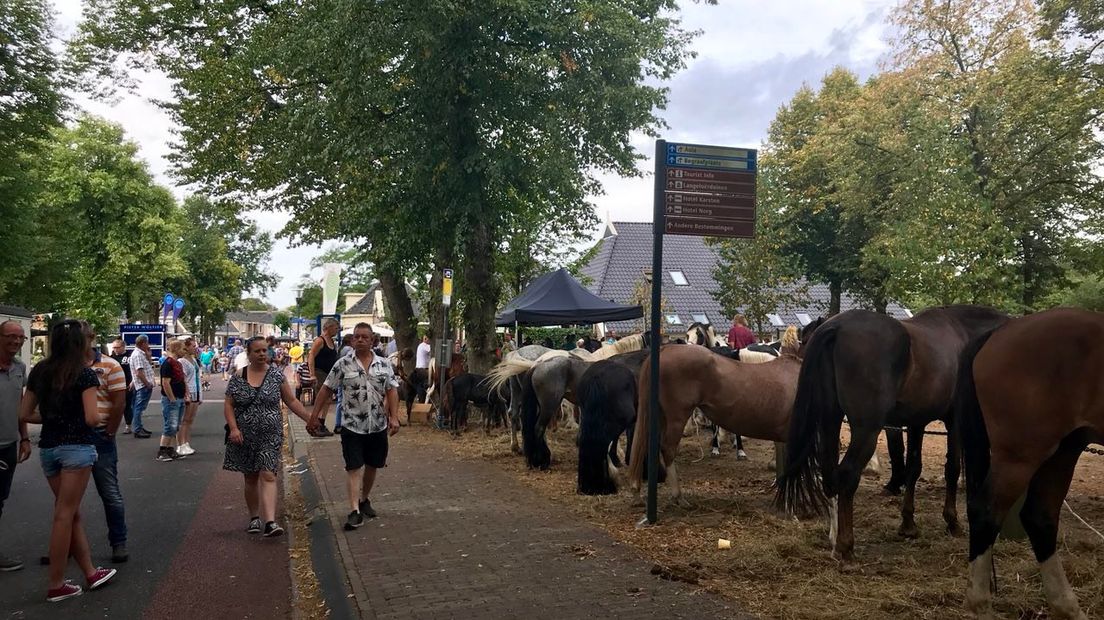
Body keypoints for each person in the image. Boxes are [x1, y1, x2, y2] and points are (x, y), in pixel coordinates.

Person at [20, 319, 116, 602]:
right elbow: (91, 417)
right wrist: (101, 418)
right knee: (64, 514)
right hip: (76, 449)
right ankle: (56, 583)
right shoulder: (84, 374)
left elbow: (25, 413)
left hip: (49, 448)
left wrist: (52, 418)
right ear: (79, 343)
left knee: (70, 513)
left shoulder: (40, 370)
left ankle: (89, 571)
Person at [308, 323, 400, 531]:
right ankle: (353, 511)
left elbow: (392, 391)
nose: (360, 340)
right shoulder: (342, 364)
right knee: (353, 466)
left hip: (377, 424)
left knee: (373, 465)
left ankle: (364, 499)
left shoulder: (384, 365)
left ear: (372, 340)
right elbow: (326, 389)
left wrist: (394, 417)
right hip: (352, 425)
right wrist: (314, 417)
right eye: (356, 337)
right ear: (351, 341)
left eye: (364, 337)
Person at [224, 337, 311, 537]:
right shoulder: (239, 376)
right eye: (257, 351)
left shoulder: (276, 376)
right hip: (245, 435)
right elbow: (229, 404)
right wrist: (234, 428)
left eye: (265, 351)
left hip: (270, 433)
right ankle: (254, 517)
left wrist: (309, 419)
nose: (262, 354)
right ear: (249, 354)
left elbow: (290, 400)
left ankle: (270, 521)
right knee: (251, 476)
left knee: (268, 473)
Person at [84, 324, 129, 564]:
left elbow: (119, 402)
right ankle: (66, 543)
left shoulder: (110, 365)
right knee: (67, 497)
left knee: (109, 492)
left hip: (100, 434)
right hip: (73, 437)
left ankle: (118, 542)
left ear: (92, 338)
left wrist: (110, 431)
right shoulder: (66, 365)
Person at [0, 320, 29, 572]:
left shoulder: (19, 368)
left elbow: (20, 405)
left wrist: (25, 438)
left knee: (0, 499)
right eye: (11, 336)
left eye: (21, 338)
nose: (16, 342)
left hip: (8, 444)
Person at [307, 319, 340, 437]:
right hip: (320, 372)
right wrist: (312, 374)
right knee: (323, 399)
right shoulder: (320, 341)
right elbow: (311, 356)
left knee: (328, 400)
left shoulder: (331, 341)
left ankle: (321, 423)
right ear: (329, 327)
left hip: (329, 374)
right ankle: (316, 424)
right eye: (336, 328)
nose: (337, 330)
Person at [156, 340, 187, 462]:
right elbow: (165, 382)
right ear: (176, 349)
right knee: (170, 425)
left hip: (178, 397)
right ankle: (162, 451)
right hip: (172, 399)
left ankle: (169, 449)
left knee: (175, 425)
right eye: (183, 349)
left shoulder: (177, 363)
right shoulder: (168, 363)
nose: (184, 351)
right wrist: (172, 398)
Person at [177, 338, 202, 456]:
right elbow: (183, 379)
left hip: (196, 391)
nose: (194, 348)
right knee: (185, 420)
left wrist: (200, 395)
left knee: (190, 420)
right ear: (186, 347)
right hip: (190, 392)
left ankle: (186, 442)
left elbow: (197, 377)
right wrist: (186, 394)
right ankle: (181, 444)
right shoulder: (182, 361)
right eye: (192, 345)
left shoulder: (193, 360)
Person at [127, 336, 155, 439]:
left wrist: (148, 356)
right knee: (138, 407)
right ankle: (137, 429)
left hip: (140, 384)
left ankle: (139, 427)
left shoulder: (139, 354)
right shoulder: (138, 355)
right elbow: (139, 372)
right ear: (143, 343)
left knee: (137, 407)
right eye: (147, 343)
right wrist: (147, 383)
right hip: (143, 385)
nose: (148, 345)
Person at [107, 340, 134, 435]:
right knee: (112, 405)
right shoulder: (111, 358)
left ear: (123, 347)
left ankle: (128, 425)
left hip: (126, 384)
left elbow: (134, 370)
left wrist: (133, 381)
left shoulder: (129, 357)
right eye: (114, 347)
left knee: (127, 406)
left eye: (117, 347)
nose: (115, 349)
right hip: (113, 385)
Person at [413, 335, 431, 403]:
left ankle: (420, 398)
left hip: (418, 368)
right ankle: (421, 399)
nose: (429, 341)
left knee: (420, 385)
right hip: (422, 369)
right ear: (425, 339)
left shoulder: (420, 345)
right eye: (429, 339)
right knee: (423, 385)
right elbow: (432, 349)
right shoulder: (424, 346)